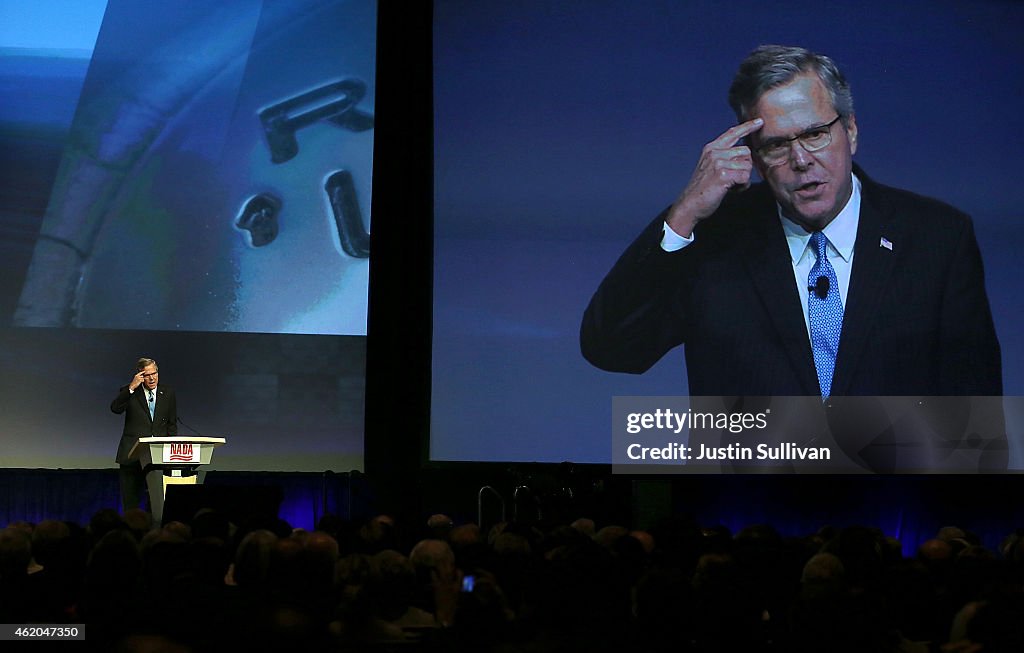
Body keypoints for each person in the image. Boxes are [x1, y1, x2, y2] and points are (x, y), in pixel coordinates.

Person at [581, 45, 1002, 399]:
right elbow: (612, 348)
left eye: (815, 134)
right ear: (753, 157)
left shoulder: (936, 238)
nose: (801, 160)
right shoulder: (714, 241)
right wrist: (684, 213)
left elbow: (974, 416)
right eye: (777, 145)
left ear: (850, 131)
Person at [111, 357, 178, 512]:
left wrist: (171, 452)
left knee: (158, 504)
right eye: (147, 375)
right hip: (132, 456)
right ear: (139, 375)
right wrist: (131, 387)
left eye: (154, 373)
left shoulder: (168, 393)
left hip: (159, 458)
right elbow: (115, 408)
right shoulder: (130, 392)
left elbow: (172, 424)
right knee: (131, 503)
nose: (152, 377)